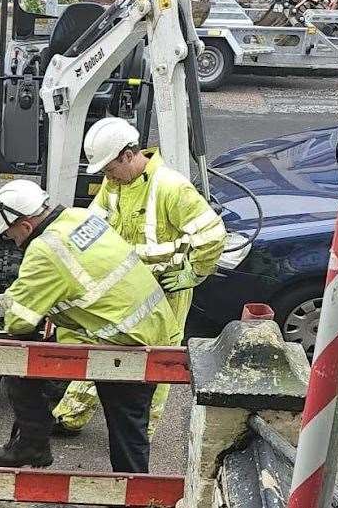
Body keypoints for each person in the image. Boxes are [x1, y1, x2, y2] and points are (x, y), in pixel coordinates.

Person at [0, 179, 178, 473]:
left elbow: (19, 322)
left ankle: (36, 447)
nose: (14, 241)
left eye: (11, 234)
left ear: (24, 225)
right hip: (151, 326)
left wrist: (13, 308)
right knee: (126, 425)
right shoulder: (79, 216)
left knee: (21, 370)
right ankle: (30, 443)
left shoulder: (45, 250)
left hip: (125, 343)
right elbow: (80, 284)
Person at [52, 117, 226, 438]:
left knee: (156, 363)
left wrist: (195, 272)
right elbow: (94, 222)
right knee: (102, 348)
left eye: (109, 169)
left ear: (128, 155)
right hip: (123, 290)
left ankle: (141, 432)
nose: (107, 177)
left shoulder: (171, 188)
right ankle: (70, 416)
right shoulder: (115, 183)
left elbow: (212, 234)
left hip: (164, 293)